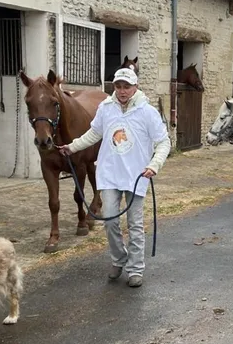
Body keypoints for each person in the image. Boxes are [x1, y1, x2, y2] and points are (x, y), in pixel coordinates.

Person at [58, 67, 171, 287]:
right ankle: (119, 259)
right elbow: (94, 133)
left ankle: (136, 268)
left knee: (135, 224)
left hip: (137, 175)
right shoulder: (106, 108)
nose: (121, 91)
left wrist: (154, 165)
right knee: (109, 220)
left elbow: (163, 142)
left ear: (135, 87)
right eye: (118, 86)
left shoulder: (147, 112)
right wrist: (72, 147)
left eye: (126, 86)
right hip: (109, 174)